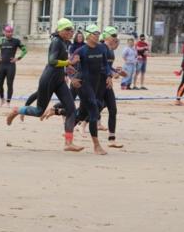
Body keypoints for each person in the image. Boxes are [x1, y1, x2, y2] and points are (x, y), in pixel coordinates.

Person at [6, 18, 83, 152]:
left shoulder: (65, 42)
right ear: (61, 30)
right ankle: (17, 110)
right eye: (68, 30)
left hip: (59, 80)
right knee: (39, 111)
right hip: (48, 79)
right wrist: (69, 63)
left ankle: (68, 143)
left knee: (71, 109)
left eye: (72, 30)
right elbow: (52, 61)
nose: (71, 32)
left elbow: (62, 61)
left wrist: (69, 69)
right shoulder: (56, 42)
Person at [71, 25, 111, 155]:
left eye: (99, 33)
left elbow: (105, 65)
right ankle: (96, 145)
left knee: (82, 113)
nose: (97, 35)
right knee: (94, 110)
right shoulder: (81, 51)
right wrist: (72, 78)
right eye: (95, 33)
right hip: (83, 84)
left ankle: (61, 119)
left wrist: (109, 76)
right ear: (88, 35)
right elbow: (69, 66)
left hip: (96, 83)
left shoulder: (102, 48)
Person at [0, 25, 27, 107]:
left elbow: (25, 50)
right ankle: (2, 100)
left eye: (10, 32)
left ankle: (8, 102)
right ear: (4, 32)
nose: (9, 33)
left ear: (12, 32)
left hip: (11, 66)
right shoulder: (0, 40)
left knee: (9, 84)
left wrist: (18, 58)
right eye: (7, 32)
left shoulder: (16, 41)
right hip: (1, 65)